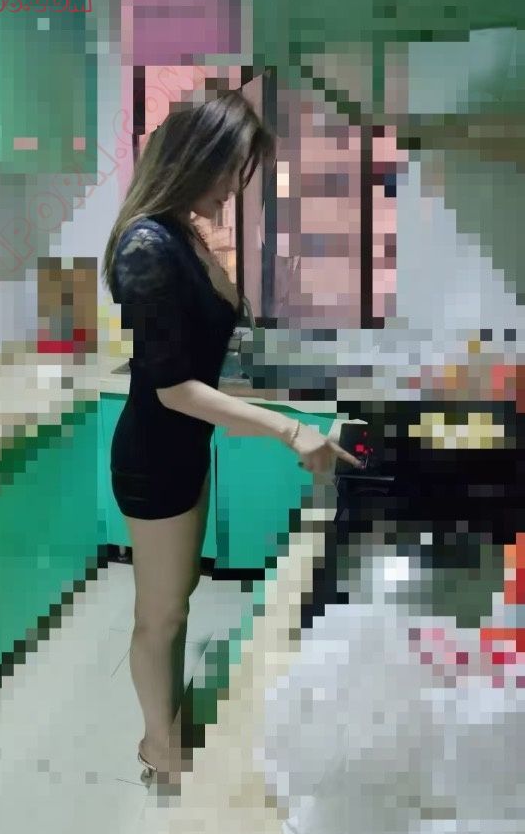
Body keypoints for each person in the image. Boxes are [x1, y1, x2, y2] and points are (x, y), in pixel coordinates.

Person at [101, 91, 363, 786]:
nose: (233, 187)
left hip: (184, 448)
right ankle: (158, 745)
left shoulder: (182, 235)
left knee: (178, 596)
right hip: (154, 457)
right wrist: (288, 428)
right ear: (195, 159)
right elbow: (173, 388)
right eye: (230, 171)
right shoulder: (146, 246)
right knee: (159, 613)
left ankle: (168, 721)